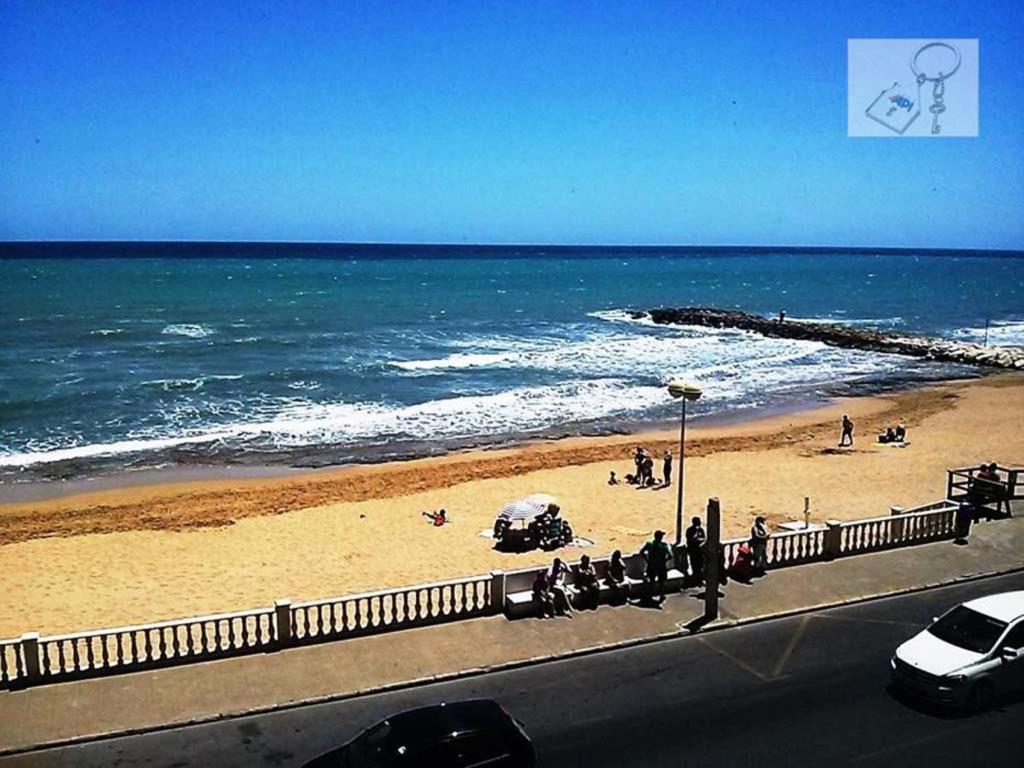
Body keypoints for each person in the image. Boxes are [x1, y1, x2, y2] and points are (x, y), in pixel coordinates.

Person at [639, 530, 672, 601]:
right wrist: (664, 561)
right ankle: (661, 595)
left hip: (651, 565)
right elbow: (670, 556)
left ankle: (649, 594)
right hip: (661, 566)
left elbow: (641, 552)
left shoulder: (649, 544)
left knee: (652, 581)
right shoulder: (664, 546)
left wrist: (647, 560)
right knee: (661, 582)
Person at [685, 516, 707, 584]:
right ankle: (696, 579)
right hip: (693, 551)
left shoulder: (701, 530)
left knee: (701, 564)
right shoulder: (690, 530)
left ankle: (699, 579)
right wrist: (697, 539)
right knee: (694, 565)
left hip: (700, 551)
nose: (700, 523)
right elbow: (690, 539)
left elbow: (704, 538)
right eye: (698, 522)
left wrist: (699, 540)